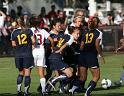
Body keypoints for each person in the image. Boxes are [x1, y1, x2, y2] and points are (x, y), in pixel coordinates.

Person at [70, 17, 105, 96]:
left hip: (82, 55)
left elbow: (81, 45)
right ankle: (87, 93)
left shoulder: (85, 32)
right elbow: (97, 45)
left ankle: (72, 89)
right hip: (91, 55)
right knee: (96, 77)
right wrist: (101, 55)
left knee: (82, 78)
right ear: (98, 23)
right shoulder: (98, 32)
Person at [46, 27, 80, 93]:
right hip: (57, 57)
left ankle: (49, 89)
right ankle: (54, 80)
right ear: (72, 33)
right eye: (77, 34)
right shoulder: (71, 38)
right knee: (70, 74)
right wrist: (60, 50)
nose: (78, 35)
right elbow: (66, 44)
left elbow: (54, 39)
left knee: (67, 73)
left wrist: (52, 47)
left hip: (53, 56)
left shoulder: (64, 36)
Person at [29, 17, 54, 95]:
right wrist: (52, 47)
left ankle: (26, 90)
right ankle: (43, 90)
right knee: (41, 73)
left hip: (33, 51)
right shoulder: (43, 31)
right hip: (41, 51)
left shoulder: (30, 30)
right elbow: (51, 40)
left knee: (28, 71)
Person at [11, 17, 35, 96]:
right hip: (27, 54)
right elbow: (34, 41)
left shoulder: (14, 32)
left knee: (21, 73)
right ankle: (26, 92)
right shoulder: (28, 30)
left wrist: (19, 45)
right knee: (27, 74)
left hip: (18, 55)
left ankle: (18, 91)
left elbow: (13, 44)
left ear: (17, 24)